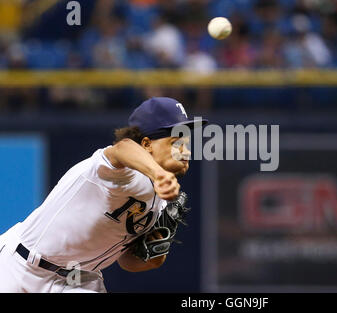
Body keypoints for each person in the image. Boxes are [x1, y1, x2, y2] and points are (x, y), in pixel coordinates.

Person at [0, 97, 207, 293]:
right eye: (176, 142)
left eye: (186, 144)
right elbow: (122, 148)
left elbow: (127, 262)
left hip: (79, 281)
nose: (186, 151)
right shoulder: (122, 173)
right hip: (20, 267)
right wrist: (158, 173)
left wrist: (155, 256)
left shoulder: (163, 201)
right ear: (146, 144)